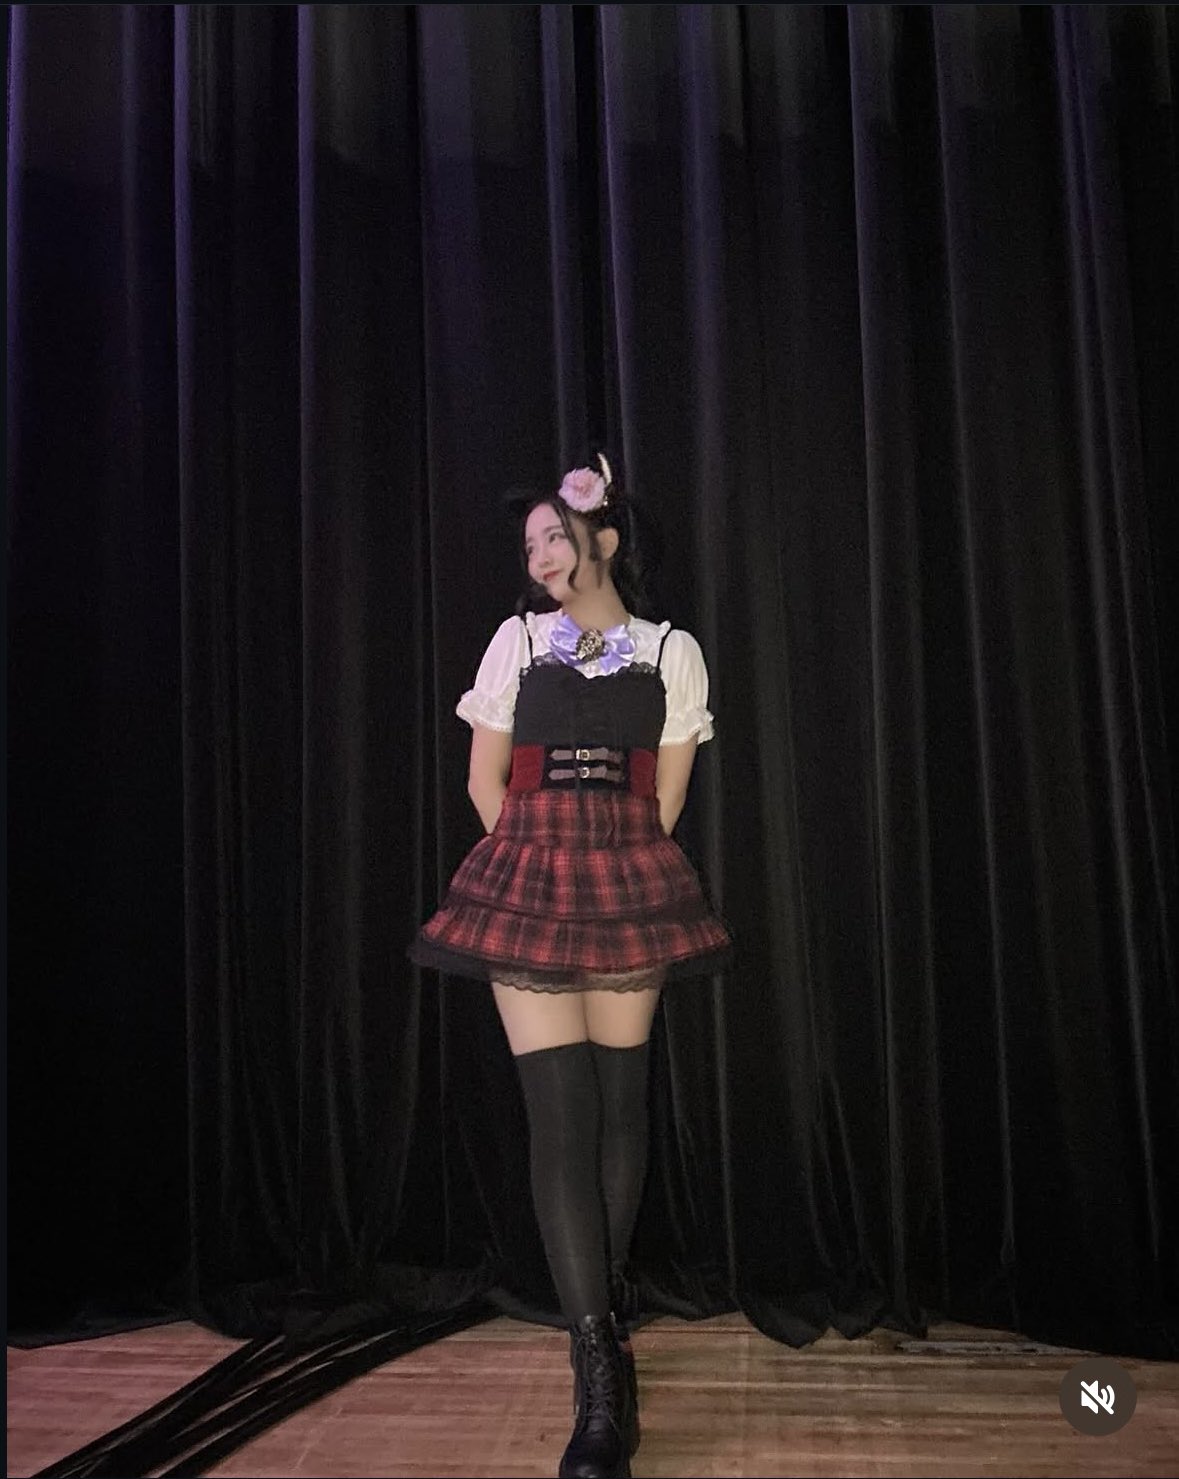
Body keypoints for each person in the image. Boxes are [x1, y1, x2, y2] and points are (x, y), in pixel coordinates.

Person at [410, 454, 731, 1479]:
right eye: (531, 543)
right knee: (560, 1112)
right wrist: (533, 866)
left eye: (557, 533)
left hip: (629, 872)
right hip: (530, 875)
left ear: (606, 538)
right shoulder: (516, 641)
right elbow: (484, 777)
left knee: (619, 1103)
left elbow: (667, 798)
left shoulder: (670, 651)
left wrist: (615, 868)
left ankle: (609, 1299)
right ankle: (596, 1367)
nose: (541, 554)